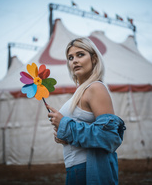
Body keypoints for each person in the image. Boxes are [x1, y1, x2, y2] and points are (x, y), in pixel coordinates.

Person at [46, 37, 126, 185]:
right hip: (75, 169)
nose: (74, 60)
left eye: (80, 54)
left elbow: (108, 136)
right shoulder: (81, 92)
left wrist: (65, 125)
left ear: (94, 58)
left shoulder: (96, 88)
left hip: (88, 170)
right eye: (70, 58)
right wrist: (65, 136)